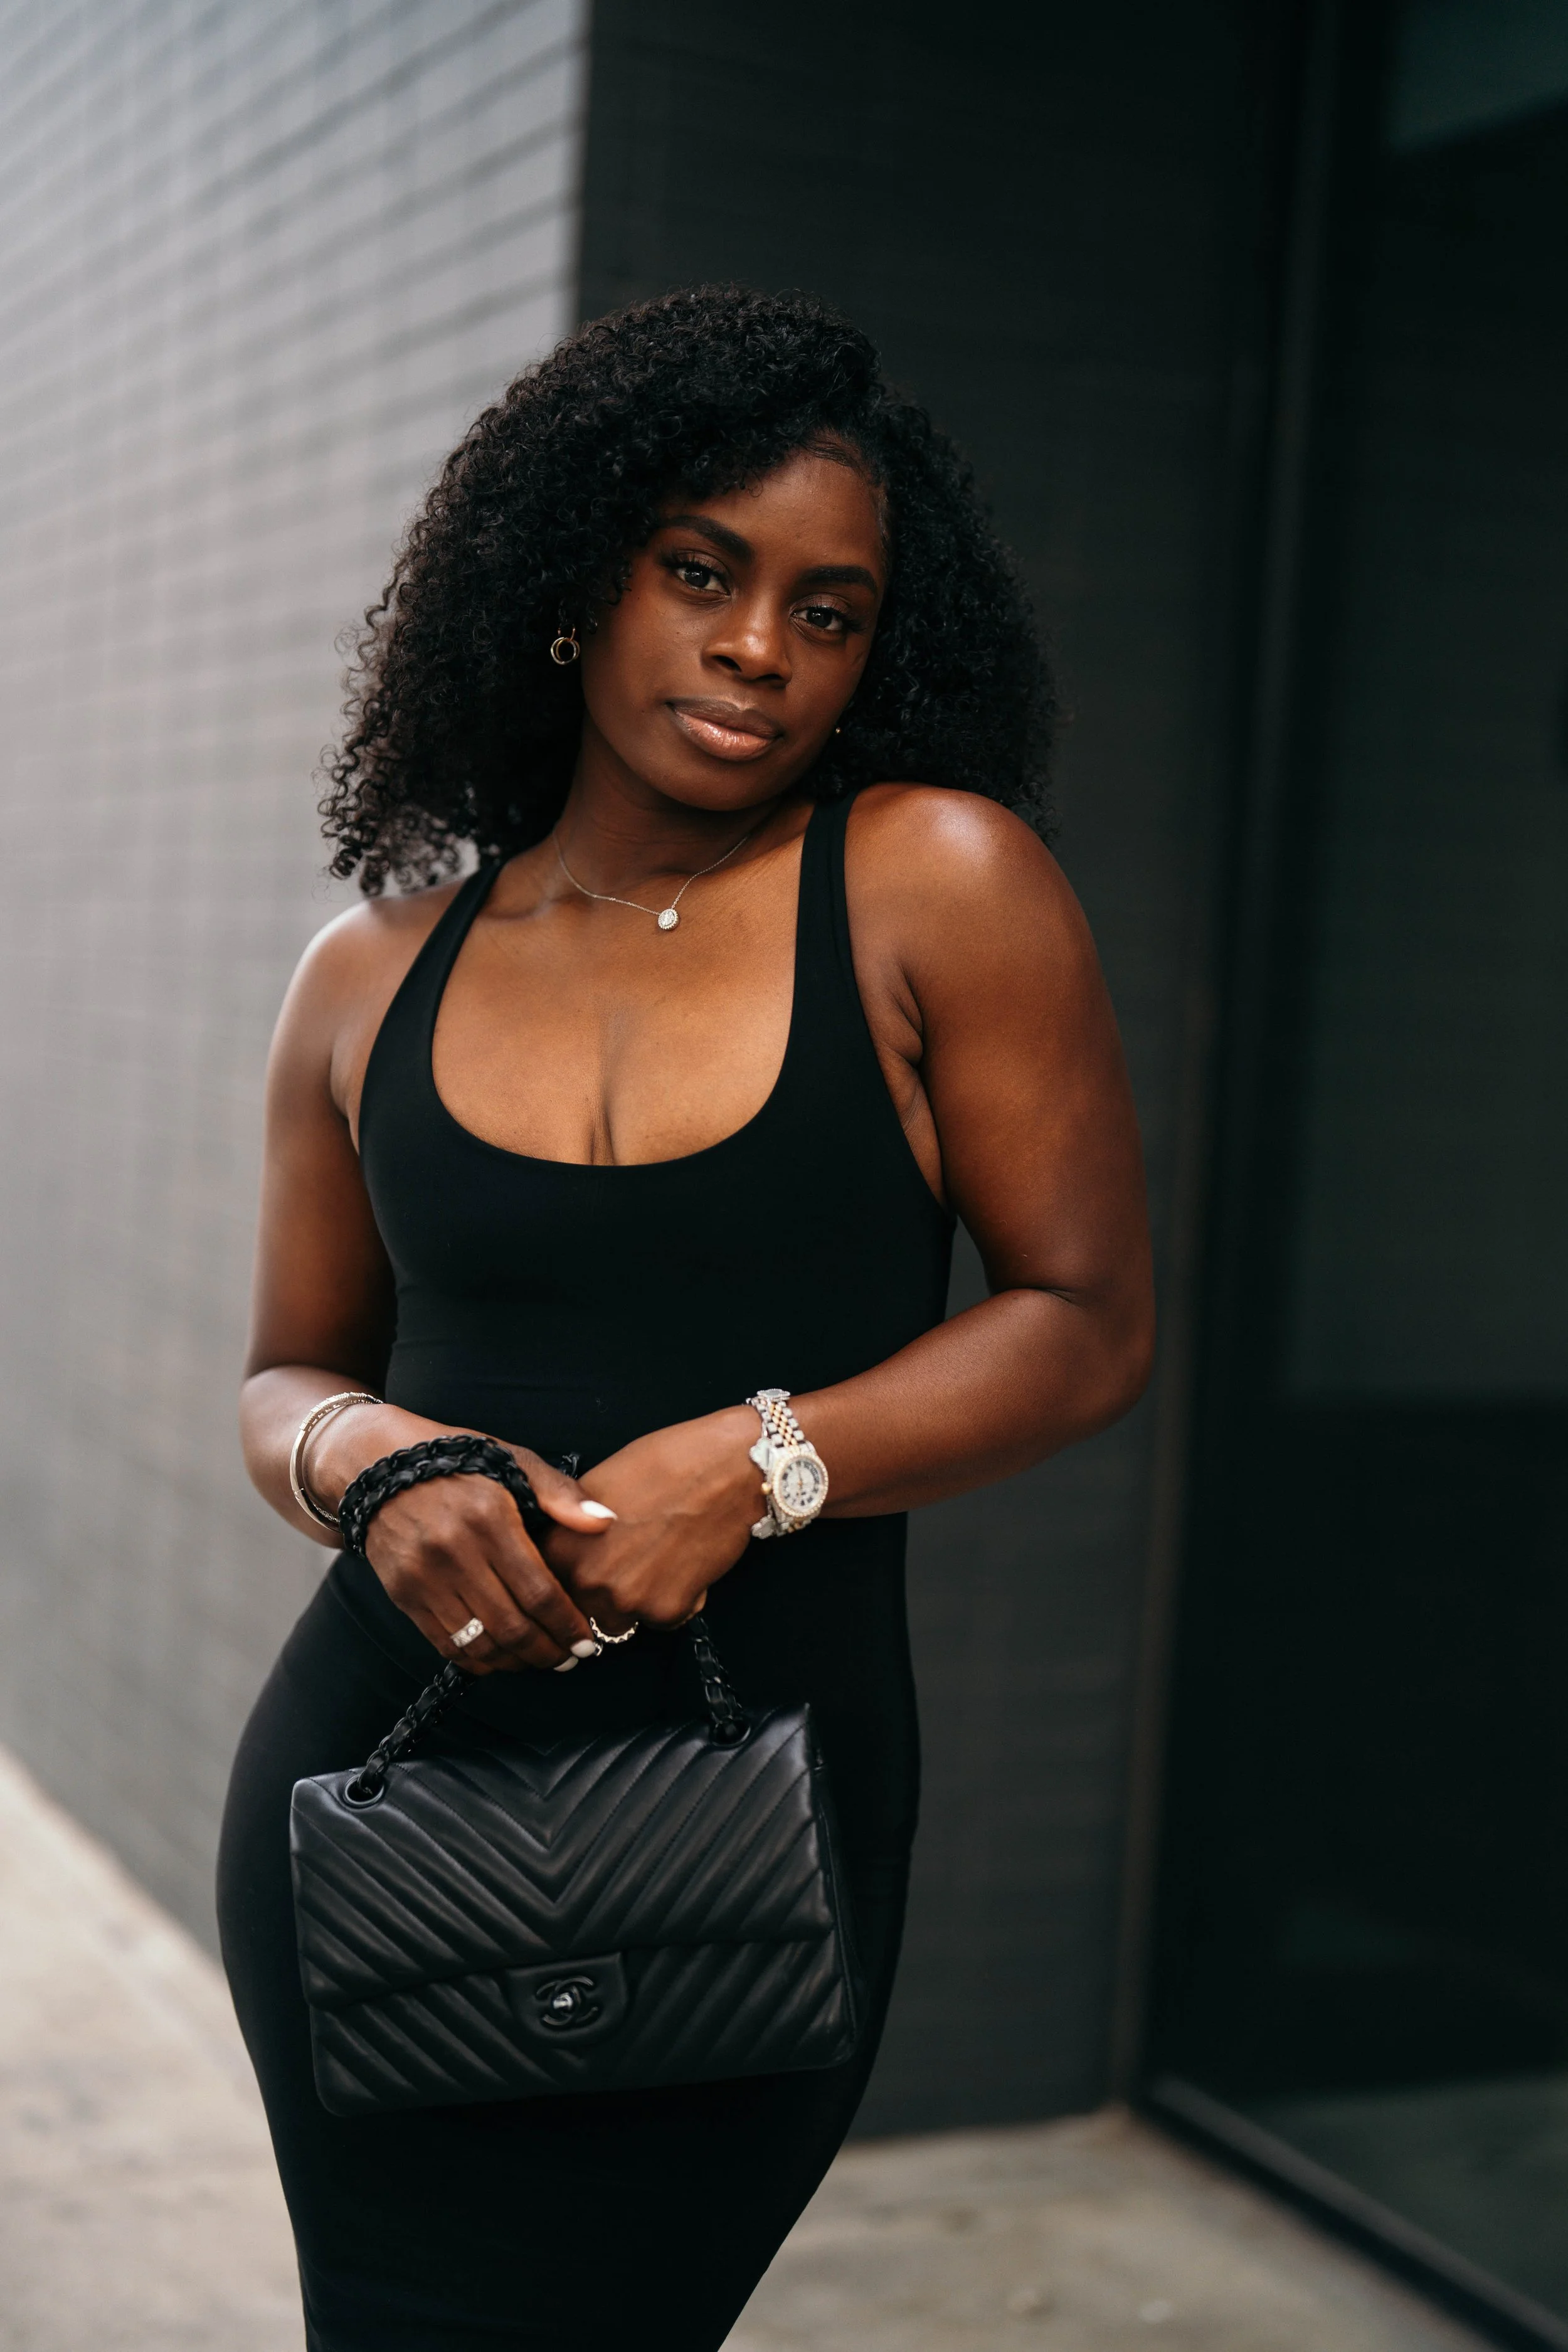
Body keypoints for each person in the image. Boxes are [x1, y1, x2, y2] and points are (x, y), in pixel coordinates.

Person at [218, 283, 1154, 2352]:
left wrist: (761, 1457)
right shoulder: (367, 973)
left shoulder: (934, 884)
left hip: (752, 1810)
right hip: (385, 1784)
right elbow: (288, 1371)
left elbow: (1084, 1320)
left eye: (828, 611)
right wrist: (378, 1465)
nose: (756, 649)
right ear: (575, 585)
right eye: (701, 573)